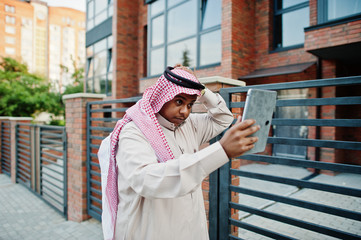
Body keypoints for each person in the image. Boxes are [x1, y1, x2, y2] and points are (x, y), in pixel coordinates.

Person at [98, 64, 260, 240]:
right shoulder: (134, 132)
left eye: (190, 104)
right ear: (161, 97)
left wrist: (201, 89)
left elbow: (223, 118)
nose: (185, 111)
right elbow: (147, 180)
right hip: (151, 231)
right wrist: (221, 151)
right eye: (179, 101)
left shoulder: (189, 125)